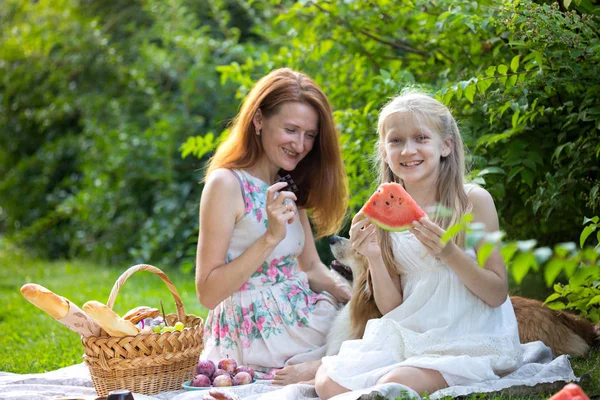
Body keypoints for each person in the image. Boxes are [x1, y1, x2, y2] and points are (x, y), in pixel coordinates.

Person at [314, 91, 571, 398]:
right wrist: (374, 258)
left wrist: (449, 253)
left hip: (469, 337)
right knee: (328, 380)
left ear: (446, 145)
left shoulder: (473, 202)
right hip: (413, 336)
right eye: (395, 141)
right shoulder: (382, 214)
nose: (408, 150)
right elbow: (393, 308)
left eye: (421, 137)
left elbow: (496, 292)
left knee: (394, 383)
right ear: (383, 150)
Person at [195, 68, 351, 385]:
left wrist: (352, 295)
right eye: (291, 130)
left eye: (310, 135)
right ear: (259, 120)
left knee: (371, 335)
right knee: (355, 358)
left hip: (303, 311)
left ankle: (323, 363)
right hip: (257, 333)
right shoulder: (226, 184)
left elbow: (310, 266)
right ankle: (319, 366)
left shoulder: (286, 182)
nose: (301, 144)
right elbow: (208, 292)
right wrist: (269, 238)